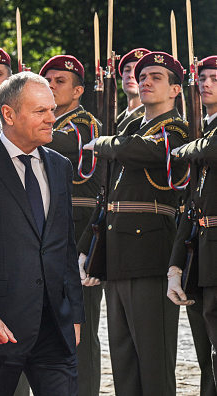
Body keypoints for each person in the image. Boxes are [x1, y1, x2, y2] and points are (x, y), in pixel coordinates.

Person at [0, 71, 85, 396]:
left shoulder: (60, 166)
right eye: (41, 111)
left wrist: (75, 313)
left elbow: (64, 246)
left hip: (54, 328)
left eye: (52, 109)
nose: (52, 118)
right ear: (8, 113)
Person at [82, 51, 188, 396]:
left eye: (156, 77)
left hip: (150, 253)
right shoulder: (131, 130)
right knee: (124, 360)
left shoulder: (177, 129)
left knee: (153, 363)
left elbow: (147, 152)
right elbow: (105, 197)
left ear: (175, 89)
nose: (145, 82)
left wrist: (104, 142)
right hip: (117, 253)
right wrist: (87, 248)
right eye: (142, 77)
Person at [39, 54, 102, 396]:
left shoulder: (85, 123)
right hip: (50, 229)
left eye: (59, 81)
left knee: (81, 326)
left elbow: (59, 143)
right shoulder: (45, 122)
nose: (50, 85)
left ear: (78, 90)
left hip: (79, 231)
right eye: (46, 80)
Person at [169, 55, 217, 395]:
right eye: (202, 78)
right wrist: (175, 265)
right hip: (202, 254)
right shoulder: (204, 129)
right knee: (207, 356)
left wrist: (183, 150)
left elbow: (212, 148)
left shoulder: (205, 140)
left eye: (215, 78)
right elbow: (190, 207)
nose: (206, 84)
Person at [116, 48, 150, 133]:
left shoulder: (151, 117)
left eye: (137, 71)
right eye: (127, 70)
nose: (131, 75)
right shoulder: (117, 120)